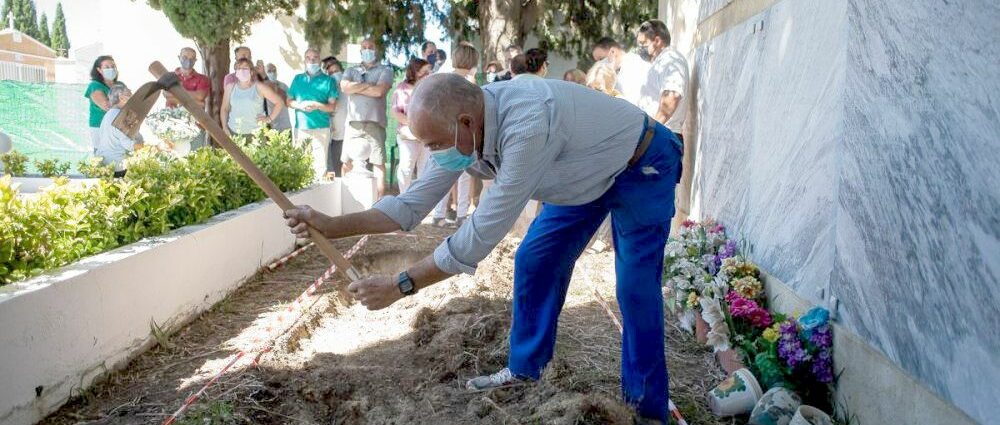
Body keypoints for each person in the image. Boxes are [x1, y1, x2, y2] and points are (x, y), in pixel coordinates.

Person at [282, 73, 682, 425]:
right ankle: (526, 372)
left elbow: (476, 237)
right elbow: (409, 206)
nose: (434, 153)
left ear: (466, 124)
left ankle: (647, 410)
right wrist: (332, 226)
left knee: (635, 287)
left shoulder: (527, 124)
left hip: (640, 163)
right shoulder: (457, 133)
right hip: (577, 176)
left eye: (435, 143)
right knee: (535, 261)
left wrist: (401, 285)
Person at [430, 42, 479, 227]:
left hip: (443, 134)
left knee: (442, 175)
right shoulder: (471, 82)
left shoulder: (442, 79)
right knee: (465, 175)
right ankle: (461, 215)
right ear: (473, 62)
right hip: (464, 136)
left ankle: (439, 214)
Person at [340, 38, 394, 198]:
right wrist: (369, 85)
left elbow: (379, 92)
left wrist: (355, 87)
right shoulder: (351, 70)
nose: (367, 49)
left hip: (375, 123)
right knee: (347, 161)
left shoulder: (386, 70)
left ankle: (378, 202)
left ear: (376, 50)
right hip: (353, 124)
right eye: (364, 47)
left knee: (378, 163)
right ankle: (346, 196)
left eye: (371, 47)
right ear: (360, 50)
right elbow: (344, 88)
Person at [287, 48, 339, 181]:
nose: (311, 61)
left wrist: (317, 105)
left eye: (315, 58)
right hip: (301, 128)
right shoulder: (298, 79)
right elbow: (288, 101)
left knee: (320, 167)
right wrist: (300, 105)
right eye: (308, 58)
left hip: (321, 129)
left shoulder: (328, 81)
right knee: (299, 165)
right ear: (304, 60)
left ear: (319, 60)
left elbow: (332, 107)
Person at [635, 19, 689, 142]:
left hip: (662, 135)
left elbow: (671, 99)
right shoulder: (661, 62)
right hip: (658, 134)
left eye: (643, 44)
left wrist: (649, 133)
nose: (640, 48)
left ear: (657, 41)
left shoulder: (671, 60)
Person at [389, 58, 432, 193]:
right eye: (424, 71)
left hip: (426, 136)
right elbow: (396, 112)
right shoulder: (402, 88)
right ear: (415, 72)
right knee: (406, 168)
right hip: (408, 135)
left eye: (429, 71)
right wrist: (414, 124)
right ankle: (404, 197)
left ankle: (421, 201)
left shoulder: (430, 88)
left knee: (425, 170)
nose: (428, 74)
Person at [220, 58, 285, 138]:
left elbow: (279, 102)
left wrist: (269, 119)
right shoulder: (230, 87)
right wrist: (224, 127)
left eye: (245, 68)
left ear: (251, 71)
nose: (241, 71)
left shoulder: (259, 87)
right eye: (239, 68)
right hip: (234, 132)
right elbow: (224, 109)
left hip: (256, 134)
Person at [164, 47, 212, 150]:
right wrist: (195, 101)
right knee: (175, 161)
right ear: (179, 57)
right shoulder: (169, 77)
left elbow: (200, 96)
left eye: (192, 58)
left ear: (195, 61)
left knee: (197, 161)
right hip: (173, 125)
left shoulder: (203, 79)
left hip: (196, 126)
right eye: (185, 57)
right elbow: (167, 95)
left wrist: (176, 92)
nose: (188, 61)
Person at [95, 83, 143, 177]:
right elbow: (129, 145)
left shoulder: (108, 115)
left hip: (104, 163)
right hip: (117, 167)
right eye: (130, 95)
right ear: (121, 98)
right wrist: (152, 148)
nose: (133, 98)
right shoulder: (120, 117)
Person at [84, 55, 117, 153]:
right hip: (100, 127)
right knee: (103, 158)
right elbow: (107, 106)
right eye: (107, 67)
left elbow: (132, 101)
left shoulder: (120, 85)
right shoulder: (94, 86)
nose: (111, 69)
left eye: (113, 66)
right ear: (99, 70)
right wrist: (124, 102)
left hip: (119, 128)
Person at [324, 57, 348, 177]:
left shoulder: (349, 88)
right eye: (331, 73)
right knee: (336, 172)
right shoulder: (328, 90)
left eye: (336, 71)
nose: (334, 74)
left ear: (342, 71)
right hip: (335, 138)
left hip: (350, 135)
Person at [264, 63, 292, 132]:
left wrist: (277, 89)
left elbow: (289, 103)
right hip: (270, 127)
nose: (272, 73)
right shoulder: (262, 87)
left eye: (274, 70)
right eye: (269, 71)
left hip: (285, 125)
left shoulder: (283, 86)